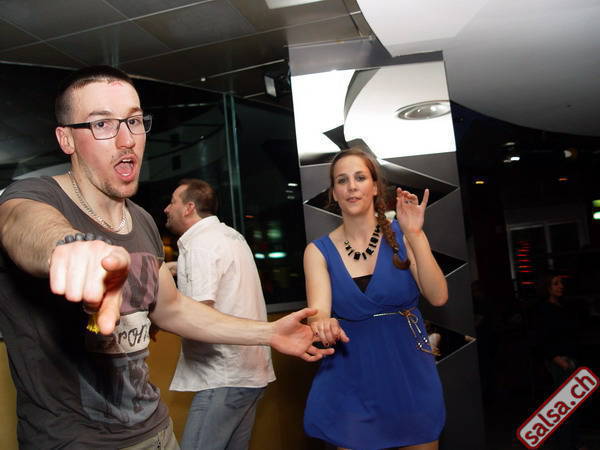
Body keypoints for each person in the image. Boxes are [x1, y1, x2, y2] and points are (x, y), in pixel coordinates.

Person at [0, 65, 334, 449]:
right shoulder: (32, 196)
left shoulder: (141, 220)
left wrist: (268, 333)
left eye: (133, 121)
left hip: (155, 432)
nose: (127, 139)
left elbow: (173, 308)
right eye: (102, 124)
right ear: (67, 139)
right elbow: (21, 225)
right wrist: (68, 247)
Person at [303, 148, 448, 450]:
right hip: (351, 378)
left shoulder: (404, 235)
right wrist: (322, 324)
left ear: (375, 187)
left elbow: (438, 296)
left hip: (408, 372)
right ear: (334, 193)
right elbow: (318, 315)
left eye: (360, 178)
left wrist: (415, 234)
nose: (351, 186)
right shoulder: (317, 252)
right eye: (342, 180)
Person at [164, 179, 275, 450]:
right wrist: (178, 267)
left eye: (173, 202)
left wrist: (155, 319)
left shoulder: (200, 245)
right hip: (250, 371)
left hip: (224, 375)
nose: (166, 209)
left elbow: (198, 315)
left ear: (189, 208)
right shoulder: (229, 236)